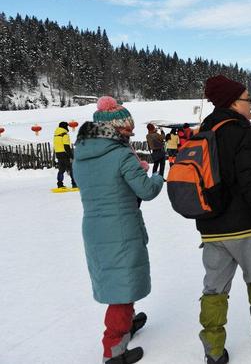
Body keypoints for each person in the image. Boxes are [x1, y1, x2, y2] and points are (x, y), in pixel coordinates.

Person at [197, 74, 251, 364]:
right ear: (234, 103)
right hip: (245, 224)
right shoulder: (243, 133)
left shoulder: (203, 131)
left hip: (211, 227)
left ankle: (213, 349)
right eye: (248, 100)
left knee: (214, 289)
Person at [73, 96, 164, 364]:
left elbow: (103, 184)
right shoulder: (121, 154)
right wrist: (156, 176)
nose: (131, 133)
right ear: (113, 129)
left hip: (95, 228)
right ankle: (113, 351)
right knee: (121, 289)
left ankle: (127, 324)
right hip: (120, 229)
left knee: (119, 280)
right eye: (127, 129)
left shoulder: (82, 155)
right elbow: (146, 191)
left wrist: (134, 170)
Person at [53, 121, 77, 188]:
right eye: (67, 126)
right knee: (71, 169)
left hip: (58, 153)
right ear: (65, 127)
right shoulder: (64, 135)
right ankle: (74, 183)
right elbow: (66, 146)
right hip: (65, 154)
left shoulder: (56, 135)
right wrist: (71, 155)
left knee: (61, 169)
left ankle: (60, 184)